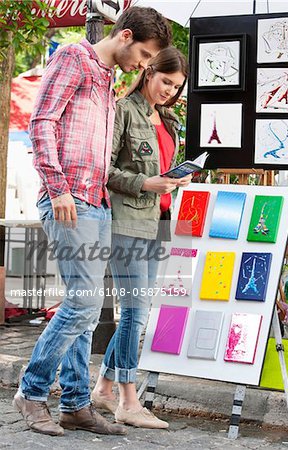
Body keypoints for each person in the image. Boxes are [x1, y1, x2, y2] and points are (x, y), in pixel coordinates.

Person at [13, 7, 172, 437]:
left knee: (88, 310)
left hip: (97, 202)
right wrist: (57, 186)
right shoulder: (72, 58)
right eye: (141, 54)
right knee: (82, 303)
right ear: (123, 36)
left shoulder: (105, 78)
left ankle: (75, 404)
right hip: (68, 200)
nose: (142, 65)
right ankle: (31, 392)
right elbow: (41, 121)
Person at [91, 46, 192, 428]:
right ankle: (128, 401)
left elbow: (161, 171)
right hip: (126, 223)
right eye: (166, 81)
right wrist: (144, 182)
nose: (170, 91)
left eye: (176, 86)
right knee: (135, 313)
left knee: (140, 314)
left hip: (158, 223)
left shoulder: (168, 120)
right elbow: (104, 169)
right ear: (148, 72)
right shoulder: (122, 110)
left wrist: (174, 179)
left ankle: (102, 388)